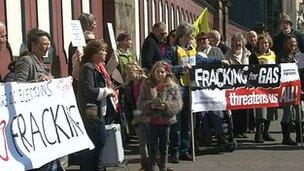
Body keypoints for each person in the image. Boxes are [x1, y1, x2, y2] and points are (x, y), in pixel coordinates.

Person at [14, 29, 63, 170]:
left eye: (49, 44)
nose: (48, 47)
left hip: (41, 118)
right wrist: (37, 82)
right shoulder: (26, 61)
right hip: (31, 120)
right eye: (44, 44)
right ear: (34, 45)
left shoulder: (40, 61)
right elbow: (18, 86)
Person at [78, 39, 116, 170]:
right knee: (92, 146)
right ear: (94, 54)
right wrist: (107, 91)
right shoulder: (88, 68)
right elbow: (90, 91)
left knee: (100, 142)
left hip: (100, 112)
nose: (105, 53)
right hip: (91, 114)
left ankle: (98, 167)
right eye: (102, 51)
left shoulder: (99, 67)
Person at [138, 61, 183, 171]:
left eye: (162, 72)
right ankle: (152, 167)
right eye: (158, 72)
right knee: (152, 146)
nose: (160, 74)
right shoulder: (147, 84)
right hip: (152, 120)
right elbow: (140, 102)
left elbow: (178, 104)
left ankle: (163, 167)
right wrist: (150, 105)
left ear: (167, 73)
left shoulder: (172, 86)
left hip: (165, 121)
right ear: (153, 72)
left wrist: (166, 106)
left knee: (164, 146)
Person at [249, 33, 278, 143]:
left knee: (271, 111)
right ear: (258, 44)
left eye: (266, 43)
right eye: (262, 43)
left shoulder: (273, 54)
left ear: (269, 43)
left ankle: (266, 131)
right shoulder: (254, 56)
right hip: (259, 87)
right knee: (261, 111)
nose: (264, 45)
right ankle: (258, 133)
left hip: (271, 88)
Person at [224, 32, 251, 138]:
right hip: (234, 84)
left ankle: (244, 130)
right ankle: (236, 130)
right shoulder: (228, 54)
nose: (238, 43)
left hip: (245, 83)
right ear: (233, 43)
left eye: (240, 41)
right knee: (235, 108)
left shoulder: (248, 53)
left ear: (243, 42)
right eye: (236, 41)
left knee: (245, 108)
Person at [277, 34, 302, 145]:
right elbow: (281, 69)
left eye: (294, 42)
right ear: (286, 43)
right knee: (287, 112)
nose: (293, 44)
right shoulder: (282, 56)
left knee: (299, 112)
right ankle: (286, 137)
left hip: (296, 88)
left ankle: (299, 136)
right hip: (286, 89)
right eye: (291, 42)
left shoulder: (294, 55)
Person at [124, 62, 149, 171]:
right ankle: (144, 165)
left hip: (149, 115)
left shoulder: (146, 82)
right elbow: (128, 105)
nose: (129, 74)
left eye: (131, 71)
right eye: (128, 72)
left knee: (153, 141)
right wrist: (132, 118)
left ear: (137, 70)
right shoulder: (128, 86)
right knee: (142, 142)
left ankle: (158, 164)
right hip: (137, 117)